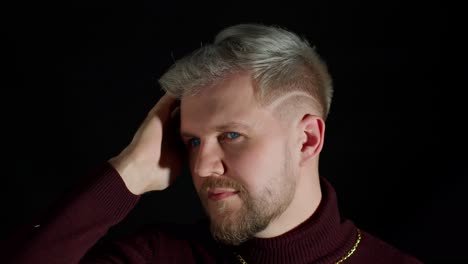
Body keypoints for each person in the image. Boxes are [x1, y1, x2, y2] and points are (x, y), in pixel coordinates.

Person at [4, 23, 422, 263]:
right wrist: (129, 171)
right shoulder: (159, 257)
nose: (202, 167)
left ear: (307, 139)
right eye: (191, 142)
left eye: (231, 136)